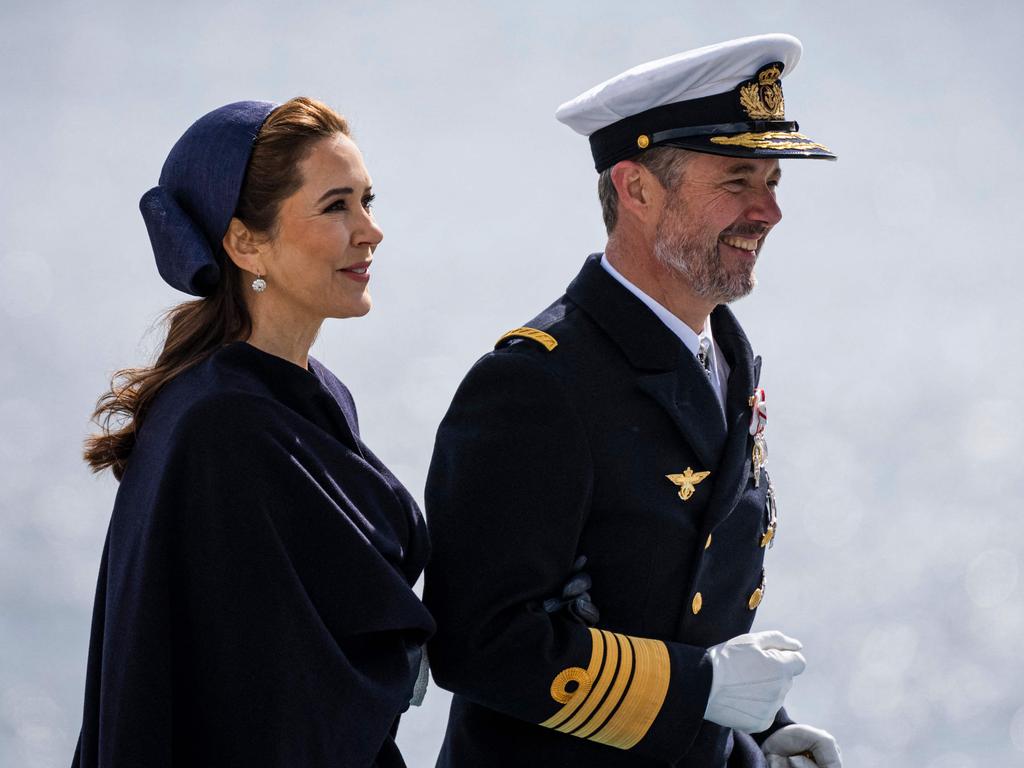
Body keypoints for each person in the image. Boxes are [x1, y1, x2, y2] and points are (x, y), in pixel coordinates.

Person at [425, 34, 842, 767]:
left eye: (774, 182)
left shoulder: (726, 359)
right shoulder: (534, 384)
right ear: (637, 188)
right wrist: (704, 691)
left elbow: (680, 609)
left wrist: (760, 726)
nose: (768, 212)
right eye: (738, 180)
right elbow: (475, 641)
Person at [72, 98, 434, 768]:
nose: (371, 230)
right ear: (244, 243)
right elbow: (260, 705)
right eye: (336, 206)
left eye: (367, 199)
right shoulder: (222, 427)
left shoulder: (309, 393)